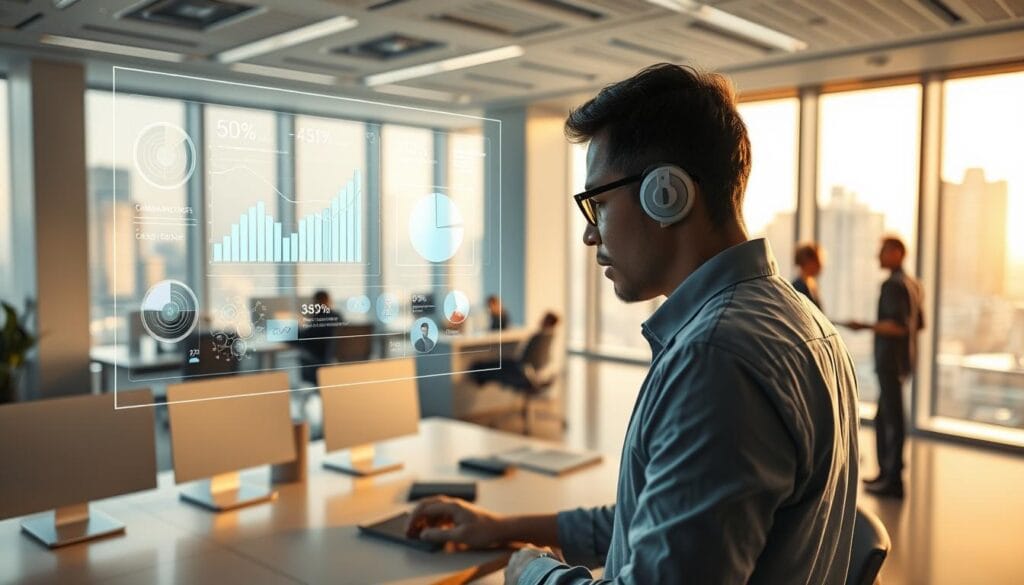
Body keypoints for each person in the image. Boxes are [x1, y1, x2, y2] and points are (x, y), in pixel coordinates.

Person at [406, 63, 859, 585]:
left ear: (665, 193)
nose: (590, 236)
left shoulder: (714, 358)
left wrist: (533, 575)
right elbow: (657, 525)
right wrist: (502, 528)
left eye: (598, 204)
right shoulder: (804, 324)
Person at [842, 236, 924, 498]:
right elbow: (918, 325)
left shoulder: (893, 285)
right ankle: (887, 472)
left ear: (897, 253)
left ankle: (893, 479)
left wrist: (864, 326)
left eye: (883, 252)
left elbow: (898, 326)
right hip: (903, 359)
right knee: (886, 416)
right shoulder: (913, 284)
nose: (878, 257)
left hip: (889, 360)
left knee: (892, 418)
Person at [297, 290, 344, 385]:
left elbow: (304, 337)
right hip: (334, 361)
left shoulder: (320, 318)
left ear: (316, 303)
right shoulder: (337, 316)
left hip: (318, 362)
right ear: (329, 301)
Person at [792, 242, 824, 310]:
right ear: (808, 261)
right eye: (818, 261)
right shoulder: (798, 287)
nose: (821, 265)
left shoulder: (811, 285)